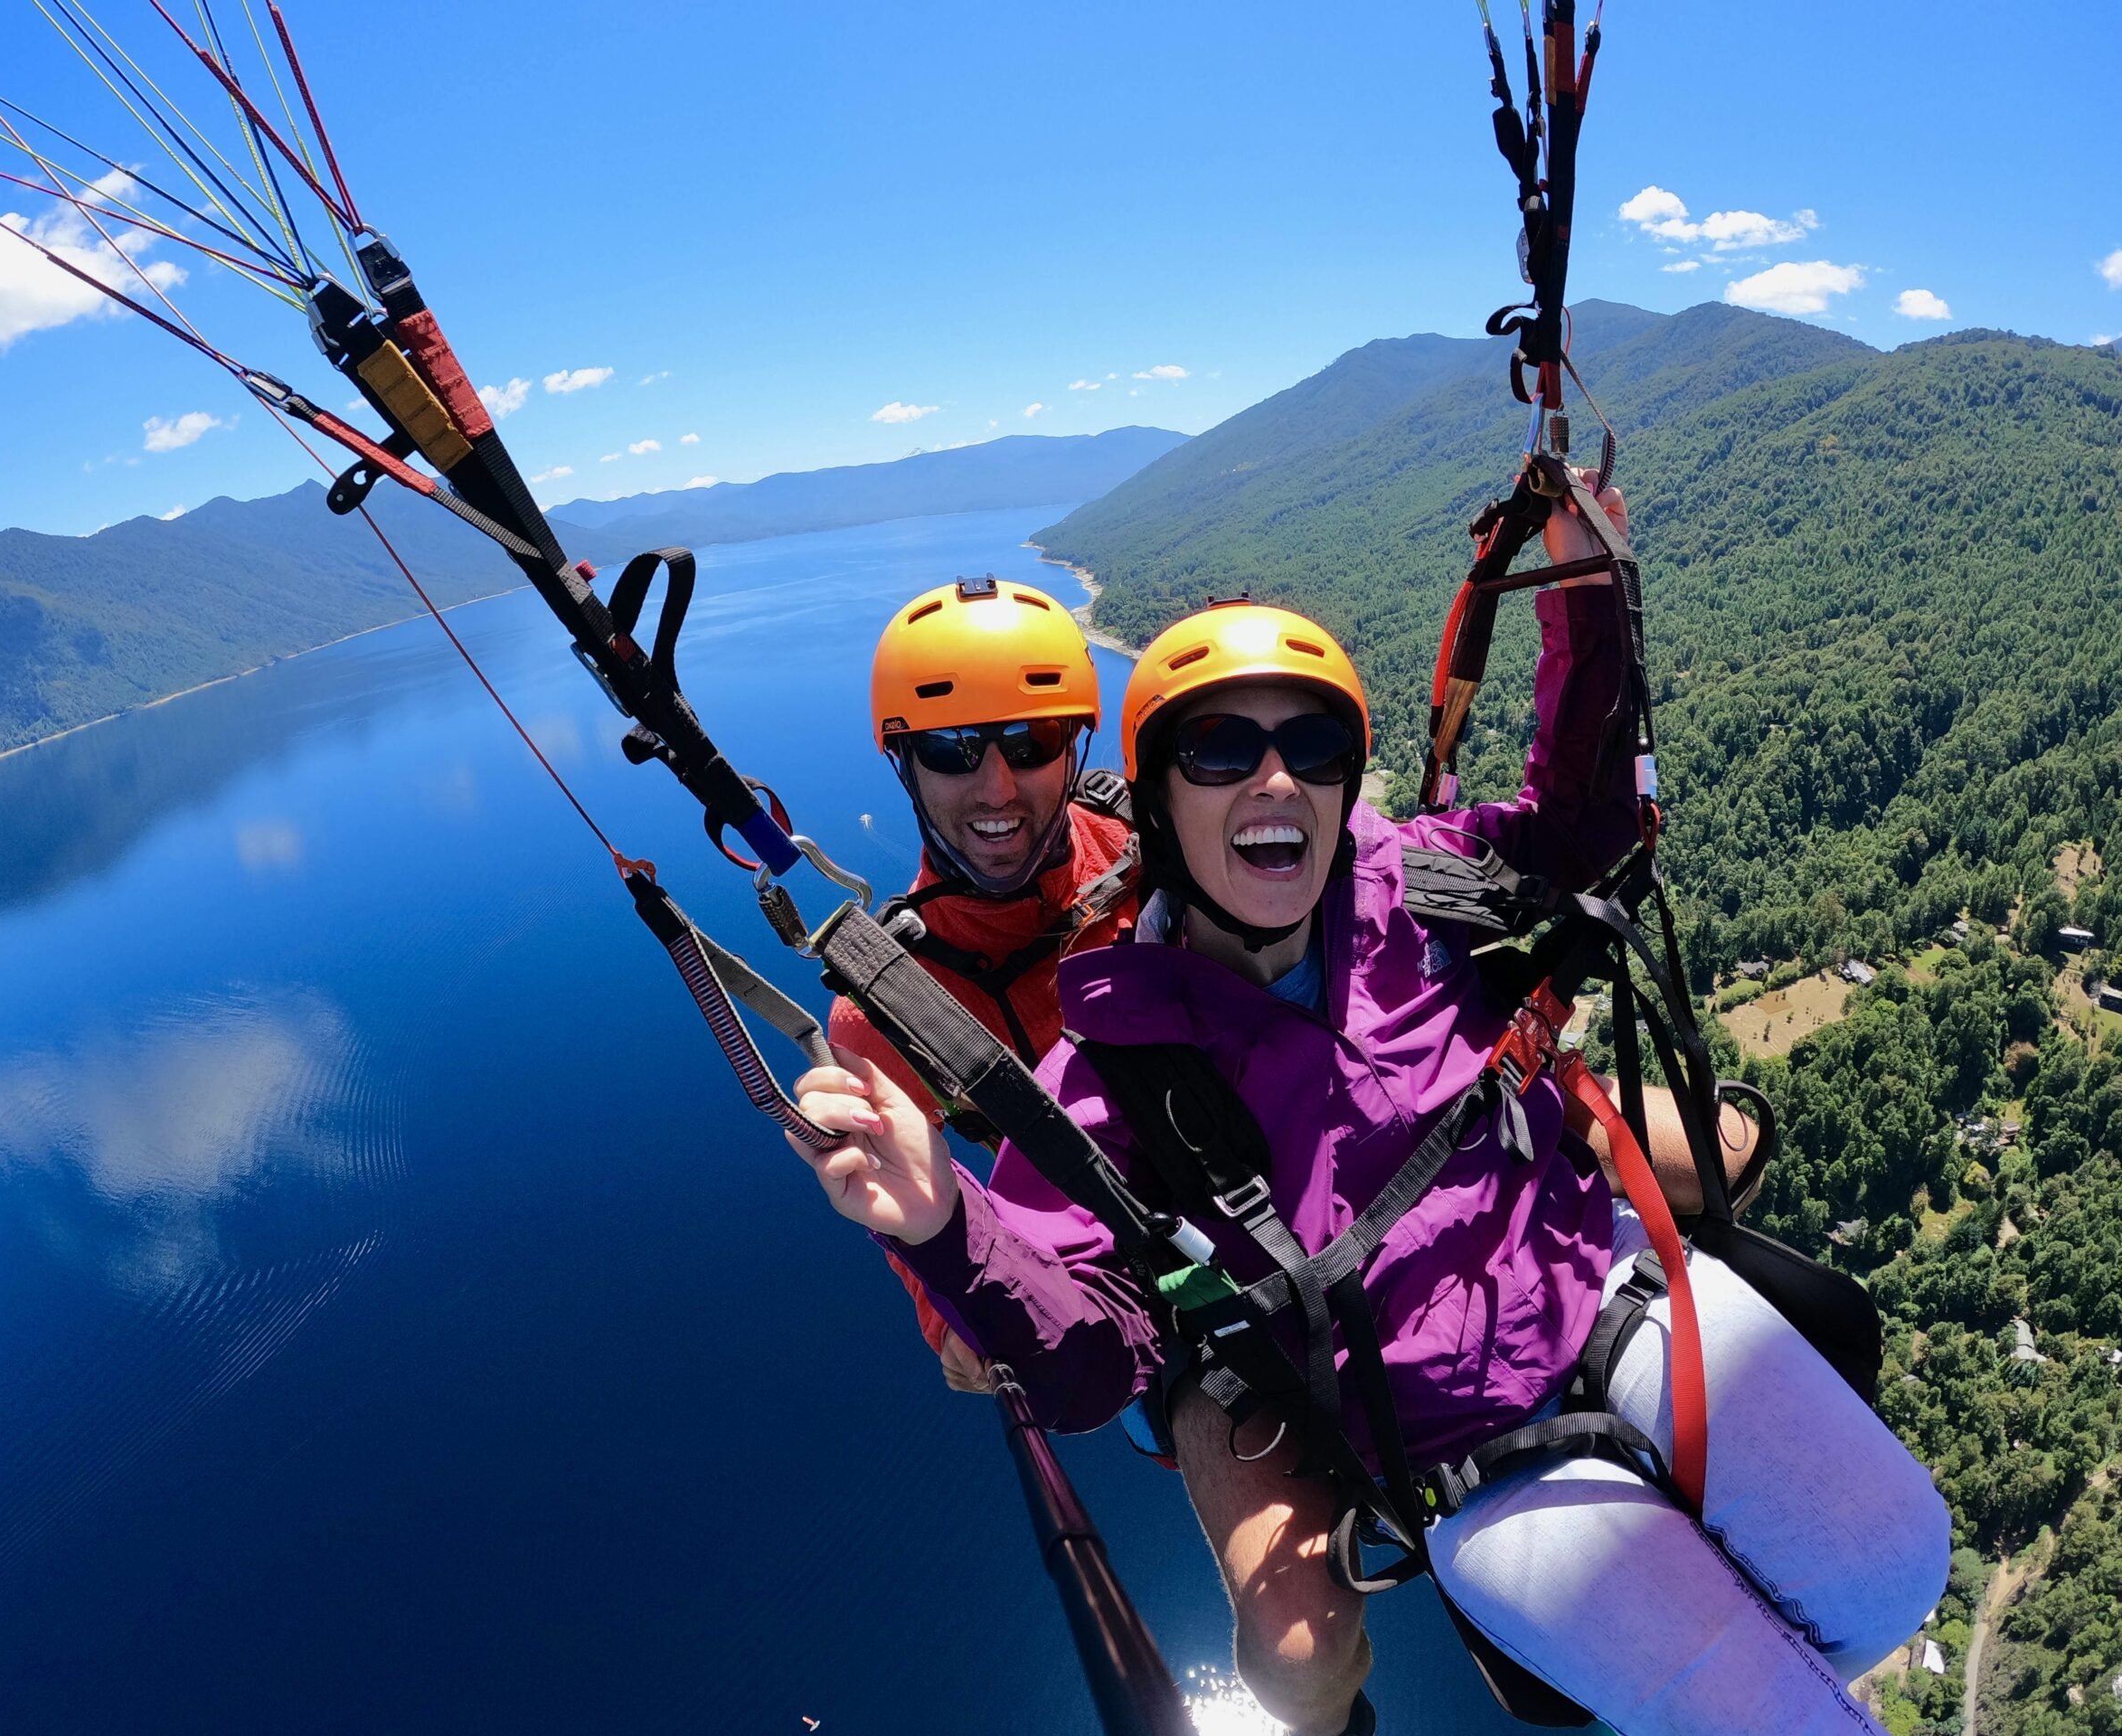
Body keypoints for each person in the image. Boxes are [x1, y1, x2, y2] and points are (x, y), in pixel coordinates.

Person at [787, 483, 1948, 1735]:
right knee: (1727, 1708)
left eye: (1315, 750)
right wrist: (942, 1231)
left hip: (1590, 1285)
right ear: (1163, 797)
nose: (1272, 780)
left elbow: (1583, 823)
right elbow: (1084, 1348)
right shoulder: (1095, 1067)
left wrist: (1585, 588)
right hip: (1421, 1422)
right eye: (1221, 753)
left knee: (1898, 1563)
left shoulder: (1414, 884)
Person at [841, 575, 1136, 1392]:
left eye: (1031, 740)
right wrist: (949, 1317)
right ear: (905, 764)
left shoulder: (1158, 855)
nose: (997, 788)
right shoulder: (885, 1011)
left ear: (1073, 747)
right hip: (1099, 1274)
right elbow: (909, 1206)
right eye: (951, 749)